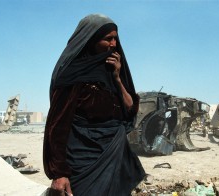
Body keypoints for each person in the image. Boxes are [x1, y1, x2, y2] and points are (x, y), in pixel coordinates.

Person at [43, 14, 146, 196]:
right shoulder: (73, 74)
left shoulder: (113, 69)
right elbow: (57, 125)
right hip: (83, 161)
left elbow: (130, 108)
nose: (114, 44)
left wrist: (117, 78)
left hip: (114, 154)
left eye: (116, 38)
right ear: (91, 39)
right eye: (108, 39)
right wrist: (59, 173)